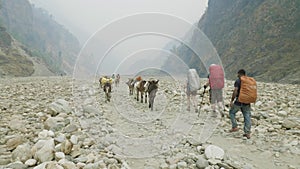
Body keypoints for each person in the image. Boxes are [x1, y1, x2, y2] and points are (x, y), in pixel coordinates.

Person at [229, 69, 251, 139]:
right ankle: (247, 132)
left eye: (238, 74)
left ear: (239, 74)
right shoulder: (249, 81)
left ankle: (234, 126)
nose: (237, 75)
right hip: (247, 101)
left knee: (231, 112)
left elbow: (235, 91)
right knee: (247, 116)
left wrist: (232, 100)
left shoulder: (238, 81)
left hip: (239, 101)